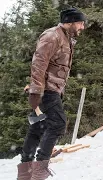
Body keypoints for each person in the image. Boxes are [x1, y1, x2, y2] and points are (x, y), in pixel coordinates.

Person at [17, 7, 86, 180]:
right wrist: (36, 91)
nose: (82, 27)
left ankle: (25, 173)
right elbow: (39, 63)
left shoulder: (65, 37)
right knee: (58, 124)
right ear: (69, 22)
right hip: (46, 90)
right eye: (80, 23)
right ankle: (39, 172)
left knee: (37, 127)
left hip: (51, 89)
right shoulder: (52, 36)